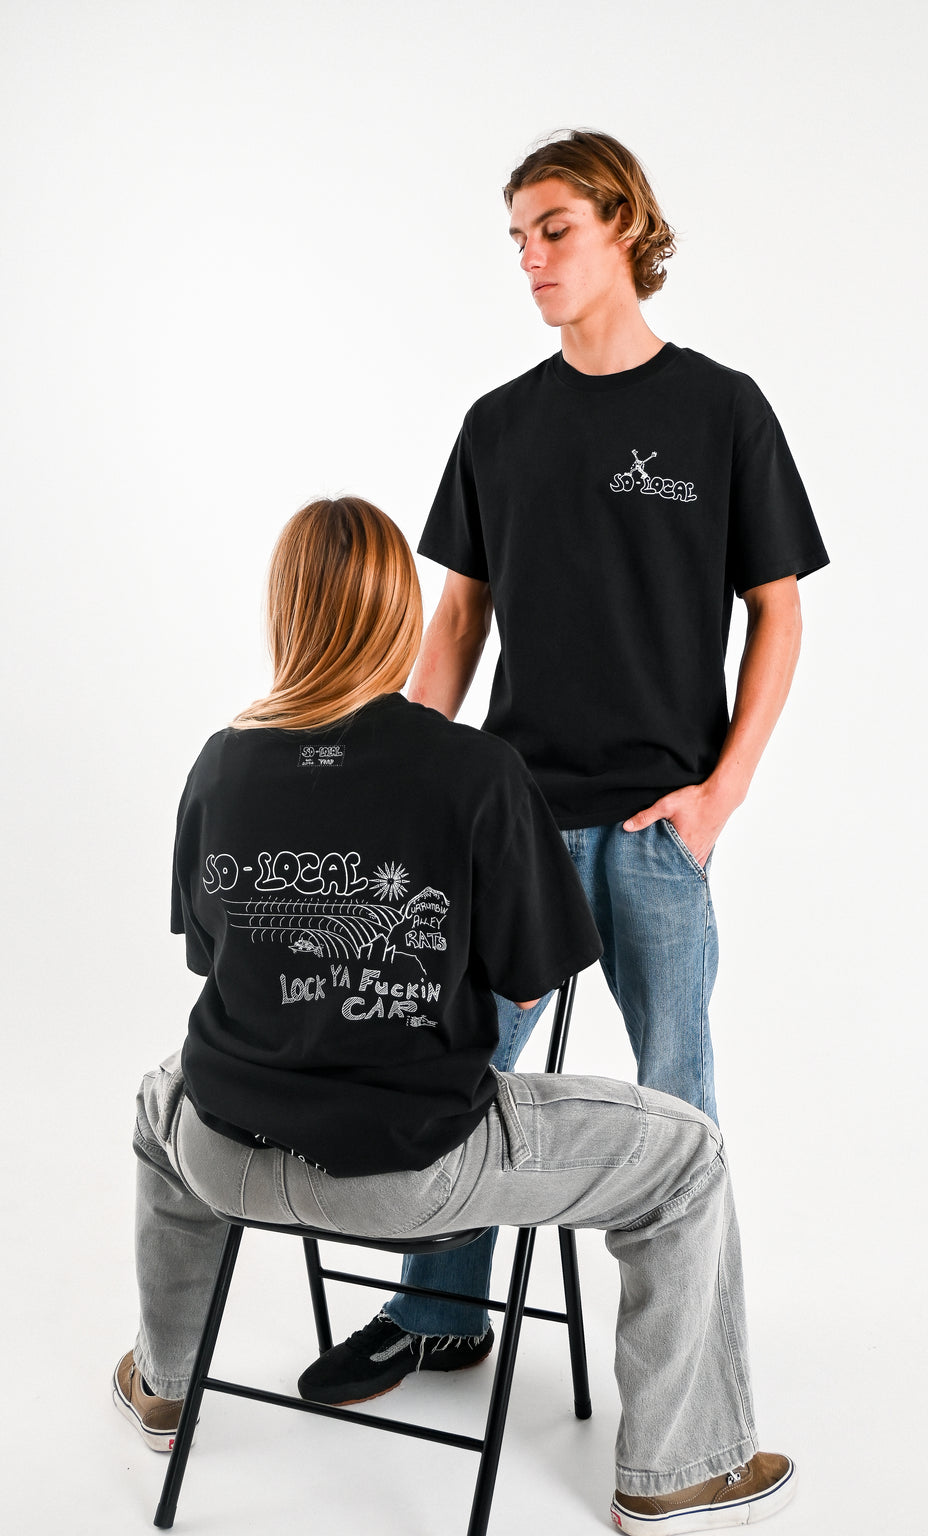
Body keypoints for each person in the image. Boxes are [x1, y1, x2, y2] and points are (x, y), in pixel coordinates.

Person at [113, 497, 797, 1533]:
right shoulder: (474, 770)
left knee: (161, 1097)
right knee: (687, 1155)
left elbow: (220, 958)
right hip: (409, 1180)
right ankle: (680, 1471)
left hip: (231, 1156)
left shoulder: (220, 761)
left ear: (282, 611)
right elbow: (531, 982)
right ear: (401, 614)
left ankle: (167, 1386)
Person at [334, 129, 830, 1396]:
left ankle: (687, 1375)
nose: (532, 258)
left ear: (622, 224)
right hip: (513, 820)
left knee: (677, 1100)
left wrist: (723, 793)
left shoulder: (719, 408)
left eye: (553, 228)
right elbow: (456, 622)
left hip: (661, 828)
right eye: (517, 238)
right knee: (464, 1071)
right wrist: (410, 778)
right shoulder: (499, 425)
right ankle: (439, 1309)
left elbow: (778, 606)